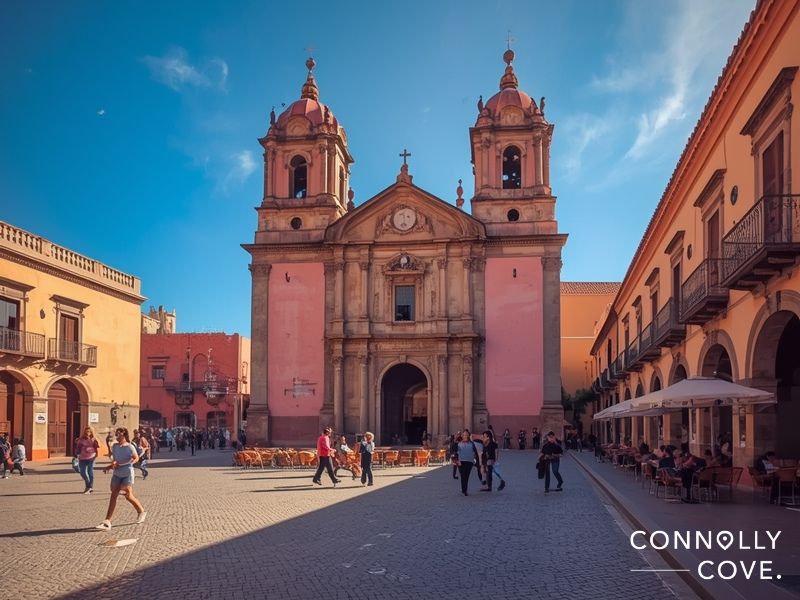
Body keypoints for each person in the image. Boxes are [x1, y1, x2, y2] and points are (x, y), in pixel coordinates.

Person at [96, 427, 146, 530]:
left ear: (124, 434)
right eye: (116, 434)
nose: (116, 436)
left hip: (127, 473)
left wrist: (129, 463)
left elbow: (136, 458)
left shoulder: (130, 447)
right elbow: (115, 461)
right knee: (116, 495)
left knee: (126, 493)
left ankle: (141, 511)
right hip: (117, 473)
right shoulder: (115, 446)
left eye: (118, 434)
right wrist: (109, 467)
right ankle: (107, 521)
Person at [75, 426, 100, 493]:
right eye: (86, 432)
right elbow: (78, 449)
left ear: (91, 432)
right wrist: (76, 455)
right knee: (82, 472)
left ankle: (89, 487)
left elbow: (96, 448)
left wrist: (96, 455)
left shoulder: (93, 440)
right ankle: (88, 484)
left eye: (89, 432)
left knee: (90, 472)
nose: (87, 433)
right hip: (82, 458)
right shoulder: (81, 440)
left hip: (91, 457)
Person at [455, 430, 479, 496]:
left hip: (469, 462)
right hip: (461, 461)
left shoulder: (472, 444)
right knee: (463, 476)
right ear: (462, 436)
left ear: (468, 435)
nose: (465, 436)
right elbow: (455, 453)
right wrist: (457, 461)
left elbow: (475, 453)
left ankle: (464, 489)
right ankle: (464, 490)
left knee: (467, 476)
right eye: (464, 435)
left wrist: (476, 462)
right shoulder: (459, 444)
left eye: (466, 435)